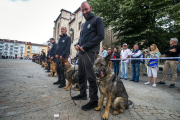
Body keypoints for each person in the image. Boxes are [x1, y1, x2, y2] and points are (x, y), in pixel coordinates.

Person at [72, 1, 104, 111]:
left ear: (90, 8)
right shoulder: (84, 24)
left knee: (91, 76)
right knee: (81, 75)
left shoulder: (97, 20)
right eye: (83, 10)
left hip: (91, 53)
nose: (85, 12)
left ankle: (94, 100)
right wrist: (77, 45)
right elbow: (80, 39)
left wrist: (85, 46)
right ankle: (82, 93)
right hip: (81, 53)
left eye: (86, 9)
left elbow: (100, 36)